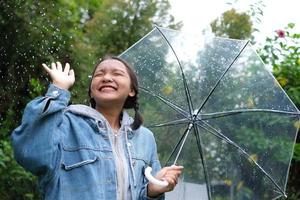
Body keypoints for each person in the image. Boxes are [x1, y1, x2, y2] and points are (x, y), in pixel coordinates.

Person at [11, 55, 183, 200]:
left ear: (131, 90)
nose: (107, 77)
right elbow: (30, 153)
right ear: (92, 91)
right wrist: (58, 90)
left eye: (117, 73)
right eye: (99, 74)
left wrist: (152, 191)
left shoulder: (145, 138)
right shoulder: (65, 122)